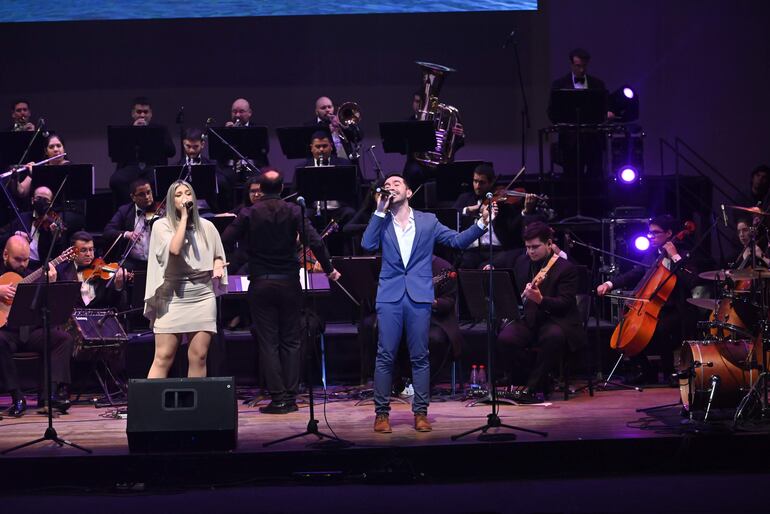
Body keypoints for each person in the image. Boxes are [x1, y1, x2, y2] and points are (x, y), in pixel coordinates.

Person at [361, 173, 494, 433]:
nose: (391, 187)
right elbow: (367, 244)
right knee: (385, 355)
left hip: (419, 296)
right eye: (387, 185)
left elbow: (456, 241)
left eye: (397, 183)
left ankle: (420, 412)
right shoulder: (382, 221)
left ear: (409, 192)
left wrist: (481, 224)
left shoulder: (428, 221)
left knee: (420, 356)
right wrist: (378, 211)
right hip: (390, 295)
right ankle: (381, 413)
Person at [222, 170, 341, 414]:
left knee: (268, 342)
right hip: (289, 282)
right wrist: (329, 269)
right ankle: (291, 396)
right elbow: (316, 242)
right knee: (291, 340)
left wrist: (244, 250)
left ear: (261, 189)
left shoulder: (248, 212)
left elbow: (225, 238)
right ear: (282, 189)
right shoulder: (294, 211)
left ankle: (278, 399)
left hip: (261, 283)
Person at [596, 214, 699, 384]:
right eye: (649, 233)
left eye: (655, 233)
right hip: (655, 309)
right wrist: (609, 284)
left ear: (669, 233)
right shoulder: (653, 255)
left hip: (678, 309)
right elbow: (635, 273)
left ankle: (669, 373)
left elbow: (691, 281)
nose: (650, 236)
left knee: (661, 329)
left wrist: (674, 256)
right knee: (623, 328)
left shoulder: (684, 253)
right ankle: (647, 371)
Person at [143, 180, 228, 379]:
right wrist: (183, 219)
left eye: (188, 193)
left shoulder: (207, 226)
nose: (184, 198)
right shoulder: (160, 225)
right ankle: (150, 408)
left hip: (202, 296)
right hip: (172, 296)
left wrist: (216, 265)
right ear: (171, 201)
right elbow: (174, 250)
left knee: (198, 356)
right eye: (178, 195)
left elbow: (217, 254)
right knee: (164, 356)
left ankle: (194, 408)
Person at [496, 222, 587, 403]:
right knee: (506, 338)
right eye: (528, 247)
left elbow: (566, 303)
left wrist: (541, 300)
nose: (531, 251)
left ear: (549, 244)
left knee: (552, 337)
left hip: (558, 320)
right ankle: (538, 379)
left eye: (535, 247)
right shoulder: (522, 262)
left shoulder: (565, 268)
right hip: (530, 318)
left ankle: (532, 387)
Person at [0, 236, 74, 417]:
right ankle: (17, 396)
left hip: (30, 332)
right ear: (5, 254)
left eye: (26, 259)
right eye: (18, 260)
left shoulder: (32, 274)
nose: (23, 264)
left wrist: (52, 283)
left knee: (62, 339)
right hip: (6, 333)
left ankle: (49, 396)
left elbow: (50, 304)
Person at [452, 163, 544, 269]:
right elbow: (452, 214)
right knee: (464, 264)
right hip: (472, 251)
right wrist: (473, 208)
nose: (477, 186)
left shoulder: (503, 204)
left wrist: (526, 211)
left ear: (491, 183)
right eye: (475, 181)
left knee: (493, 264)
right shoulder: (465, 198)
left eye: (482, 182)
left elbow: (515, 227)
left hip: (496, 251)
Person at [548, 48, 611, 178]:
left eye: (584, 66)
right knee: (571, 178)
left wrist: (606, 113)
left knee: (595, 177)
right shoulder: (559, 85)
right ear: (571, 65)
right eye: (578, 66)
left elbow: (604, 107)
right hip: (570, 142)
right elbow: (551, 111)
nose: (581, 70)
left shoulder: (598, 84)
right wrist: (564, 124)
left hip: (593, 141)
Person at [109, 96, 176, 204]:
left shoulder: (160, 130)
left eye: (145, 112)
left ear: (151, 114)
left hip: (152, 167)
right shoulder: (125, 130)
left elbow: (171, 152)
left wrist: (150, 135)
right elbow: (117, 154)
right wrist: (132, 132)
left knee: (161, 180)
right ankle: (131, 208)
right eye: (139, 112)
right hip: (131, 167)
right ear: (133, 114)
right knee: (116, 180)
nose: (142, 115)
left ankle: (155, 209)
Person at [402, 89, 465, 204]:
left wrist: (459, 136)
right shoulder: (409, 122)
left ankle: (450, 209)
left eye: (424, 102)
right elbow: (402, 147)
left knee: (451, 172)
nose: (420, 105)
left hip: (440, 163)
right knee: (413, 172)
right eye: (417, 101)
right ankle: (412, 205)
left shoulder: (444, 120)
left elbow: (455, 145)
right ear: (413, 103)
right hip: (417, 163)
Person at [0, 186, 75, 271]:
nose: (42, 202)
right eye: (38, 198)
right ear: (32, 200)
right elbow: (2, 239)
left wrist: (56, 238)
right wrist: (15, 235)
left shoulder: (54, 222)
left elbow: (57, 254)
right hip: (19, 265)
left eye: (46, 200)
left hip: (40, 268)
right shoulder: (22, 218)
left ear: (51, 203)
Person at [56, 231, 129, 308]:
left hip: (98, 318)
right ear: (73, 252)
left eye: (91, 249)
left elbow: (116, 305)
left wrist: (118, 287)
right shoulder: (61, 270)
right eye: (83, 250)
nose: (88, 254)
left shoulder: (104, 271)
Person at [103, 178, 159, 271]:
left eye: (149, 192)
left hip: (156, 260)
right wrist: (126, 234)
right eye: (142, 194)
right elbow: (108, 232)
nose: (147, 196)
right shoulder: (125, 211)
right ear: (133, 197)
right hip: (133, 262)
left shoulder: (160, 209)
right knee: (119, 272)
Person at [177, 128, 233, 211]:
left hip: (206, 209)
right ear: (183, 144)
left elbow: (223, 186)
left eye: (195, 146)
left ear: (202, 144)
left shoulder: (212, 165)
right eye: (188, 146)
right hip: (182, 209)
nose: (191, 150)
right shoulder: (176, 166)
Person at [14, 133, 71, 200]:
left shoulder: (70, 167)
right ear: (46, 151)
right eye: (51, 147)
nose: (55, 149)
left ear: (63, 149)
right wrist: (15, 179)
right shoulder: (40, 168)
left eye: (58, 146)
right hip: (41, 208)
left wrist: (37, 173)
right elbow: (21, 192)